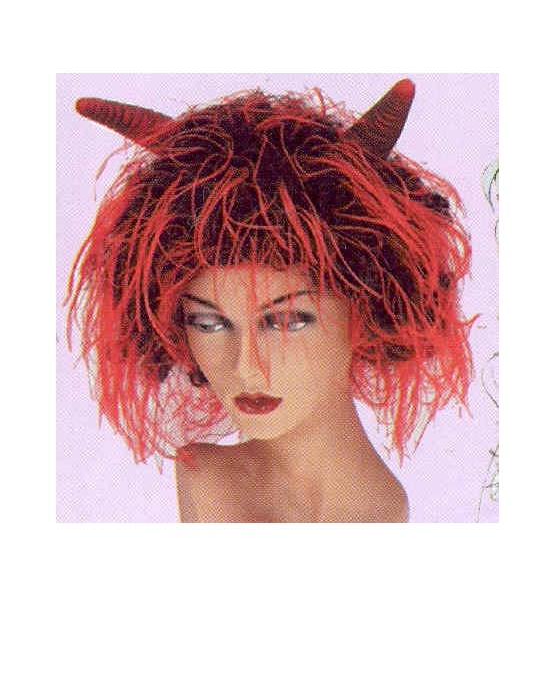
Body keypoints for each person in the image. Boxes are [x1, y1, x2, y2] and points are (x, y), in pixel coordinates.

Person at [66, 79, 472, 522]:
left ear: (370, 304)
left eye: (288, 320)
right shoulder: (208, 478)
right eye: (208, 323)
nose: (247, 368)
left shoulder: (380, 511)